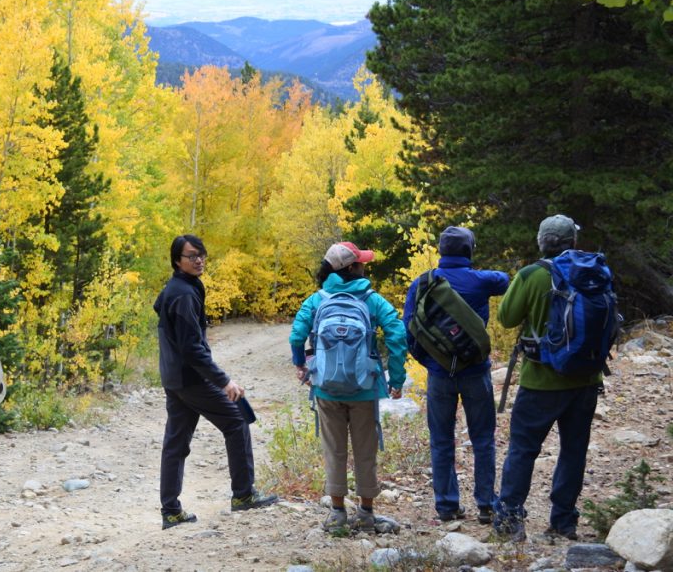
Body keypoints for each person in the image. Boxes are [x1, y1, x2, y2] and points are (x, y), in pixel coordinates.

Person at [155, 234, 277, 530]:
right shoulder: (183, 294)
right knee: (236, 420)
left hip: (174, 378)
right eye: (191, 256)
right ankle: (244, 495)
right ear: (177, 261)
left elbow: (160, 308)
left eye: (202, 254)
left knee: (176, 443)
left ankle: (171, 511)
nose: (199, 260)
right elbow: (191, 348)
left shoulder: (179, 288)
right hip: (190, 378)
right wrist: (224, 380)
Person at [493, 214, 601, 542]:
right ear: (573, 242)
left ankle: (510, 521)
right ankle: (564, 521)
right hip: (585, 378)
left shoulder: (532, 275)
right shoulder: (594, 272)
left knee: (523, 449)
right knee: (573, 450)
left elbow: (507, 318)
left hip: (540, 380)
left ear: (541, 242)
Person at [289, 241, 407, 532]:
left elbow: (296, 336)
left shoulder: (317, 299)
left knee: (334, 449)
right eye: (361, 262)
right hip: (365, 387)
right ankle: (366, 514)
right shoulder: (372, 299)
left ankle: (338, 513)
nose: (365, 265)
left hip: (326, 387)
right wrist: (396, 379)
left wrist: (301, 365)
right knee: (365, 450)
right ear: (352, 268)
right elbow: (397, 334)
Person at [402, 226, 509, 524]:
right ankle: (487, 504)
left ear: (440, 251)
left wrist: (429, 361)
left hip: (439, 374)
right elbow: (505, 280)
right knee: (483, 438)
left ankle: (447, 505)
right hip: (476, 371)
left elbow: (409, 330)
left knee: (441, 440)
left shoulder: (421, 284)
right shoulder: (482, 281)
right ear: (469, 251)